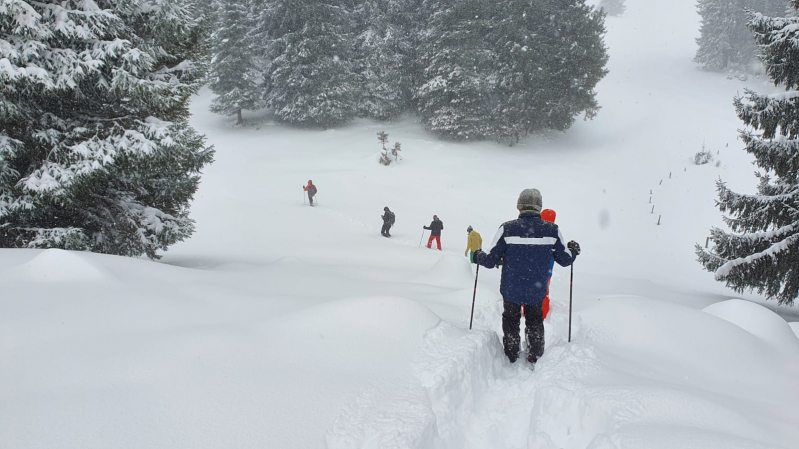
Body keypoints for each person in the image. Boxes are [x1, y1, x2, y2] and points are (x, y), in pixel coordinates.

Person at [473, 189, 580, 365]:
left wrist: (478, 256)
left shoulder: (507, 228)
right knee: (535, 320)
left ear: (519, 206)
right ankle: (534, 355)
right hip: (536, 289)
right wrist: (573, 251)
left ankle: (512, 353)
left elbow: (491, 260)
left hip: (511, 287)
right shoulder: (552, 230)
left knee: (510, 319)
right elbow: (565, 259)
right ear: (539, 207)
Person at [540, 209, 557, 319]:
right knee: (544, 292)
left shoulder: (534, 231)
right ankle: (543, 313)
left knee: (528, 291)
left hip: (530, 268)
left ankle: (526, 313)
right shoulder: (554, 233)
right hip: (547, 270)